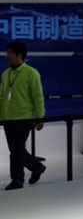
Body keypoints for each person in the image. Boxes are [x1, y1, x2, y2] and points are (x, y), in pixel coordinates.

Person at [0, 42, 46, 190]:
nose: (7, 56)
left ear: (19, 55)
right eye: (7, 52)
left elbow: (38, 97)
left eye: (10, 53)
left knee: (17, 149)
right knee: (16, 149)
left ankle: (17, 180)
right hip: (7, 118)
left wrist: (40, 117)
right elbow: (1, 96)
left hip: (24, 118)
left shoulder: (31, 73)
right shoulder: (6, 74)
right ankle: (37, 167)